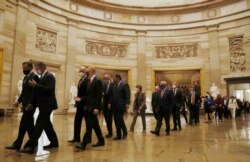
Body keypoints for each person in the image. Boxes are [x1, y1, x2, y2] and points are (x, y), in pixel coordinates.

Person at [20, 62, 59, 154]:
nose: (36, 71)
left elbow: (50, 89)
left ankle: (31, 146)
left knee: (38, 125)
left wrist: (36, 85)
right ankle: (54, 143)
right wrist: (32, 103)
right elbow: (38, 92)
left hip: (47, 105)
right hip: (43, 105)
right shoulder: (43, 76)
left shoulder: (49, 76)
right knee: (47, 125)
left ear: (42, 67)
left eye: (37, 68)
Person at [5, 62, 39, 151]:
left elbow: (35, 92)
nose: (23, 70)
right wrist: (18, 101)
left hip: (30, 106)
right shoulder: (25, 77)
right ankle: (34, 142)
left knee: (23, 124)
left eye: (25, 68)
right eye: (23, 68)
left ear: (30, 68)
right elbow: (24, 92)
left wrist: (31, 103)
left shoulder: (34, 76)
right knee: (29, 125)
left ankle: (18, 143)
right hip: (25, 104)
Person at [75, 67, 105, 151]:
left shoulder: (97, 81)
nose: (85, 74)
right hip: (88, 107)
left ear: (91, 72)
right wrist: (80, 98)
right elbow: (89, 95)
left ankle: (83, 144)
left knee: (89, 127)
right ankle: (101, 140)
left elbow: (99, 96)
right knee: (95, 125)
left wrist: (97, 108)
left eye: (87, 72)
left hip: (94, 107)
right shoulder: (89, 81)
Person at [68, 66, 90, 143]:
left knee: (88, 123)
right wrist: (77, 100)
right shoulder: (80, 80)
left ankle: (88, 139)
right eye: (80, 71)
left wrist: (81, 99)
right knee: (77, 121)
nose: (80, 72)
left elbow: (88, 94)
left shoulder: (88, 81)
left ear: (85, 72)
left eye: (82, 71)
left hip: (85, 105)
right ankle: (76, 138)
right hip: (79, 104)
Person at [108, 74, 131, 140]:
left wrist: (127, 103)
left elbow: (128, 94)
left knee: (119, 119)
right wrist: (109, 103)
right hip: (114, 105)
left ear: (118, 78)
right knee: (115, 120)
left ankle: (125, 132)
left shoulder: (124, 84)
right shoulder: (115, 85)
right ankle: (118, 135)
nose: (113, 79)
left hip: (121, 105)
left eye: (114, 78)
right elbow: (112, 95)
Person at [102, 74, 114, 138]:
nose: (105, 79)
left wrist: (110, 103)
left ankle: (110, 132)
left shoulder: (112, 85)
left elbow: (112, 95)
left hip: (110, 105)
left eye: (106, 78)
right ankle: (109, 131)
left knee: (109, 118)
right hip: (104, 105)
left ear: (109, 79)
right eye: (104, 78)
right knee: (106, 118)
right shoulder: (103, 85)